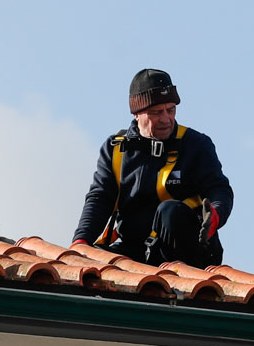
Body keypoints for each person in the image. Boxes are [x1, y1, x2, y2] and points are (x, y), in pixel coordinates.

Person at [73, 69, 233, 267]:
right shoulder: (115, 149)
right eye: (156, 112)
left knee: (170, 211)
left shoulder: (196, 144)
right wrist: (81, 242)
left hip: (190, 252)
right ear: (136, 113)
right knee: (91, 264)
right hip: (136, 251)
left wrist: (215, 215)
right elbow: (100, 198)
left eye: (171, 109)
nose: (166, 119)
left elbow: (220, 189)